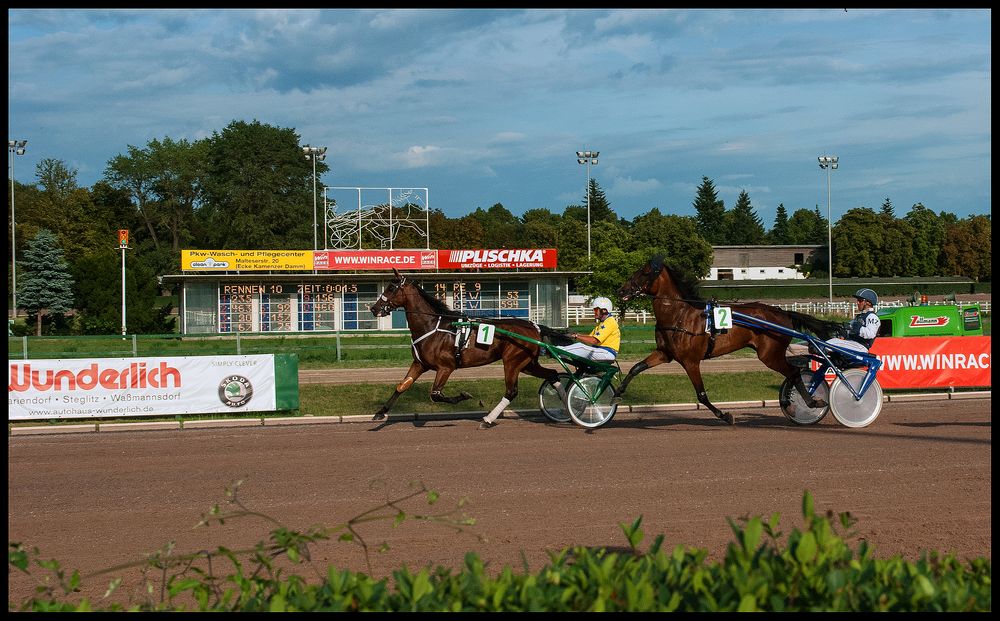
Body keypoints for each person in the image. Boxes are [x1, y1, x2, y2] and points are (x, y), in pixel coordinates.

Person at [561, 297, 620, 361]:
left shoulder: (610, 322)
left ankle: (558, 351)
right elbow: (590, 337)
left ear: (604, 310)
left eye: (595, 310)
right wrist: (575, 335)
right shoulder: (602, 322)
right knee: (579, 349)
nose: (594, 312)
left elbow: (594, 341)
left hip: (607, 352)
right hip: (601, 351)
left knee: (580, 347)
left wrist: (576, 336)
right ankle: (560, 351)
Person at [824, 288, 881, 354]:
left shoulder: (872, 317)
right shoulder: (859, 316)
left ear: (868, 302)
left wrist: (858, 329)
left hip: (860, 346)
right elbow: (850, 327)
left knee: (832, 343)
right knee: (832, 341)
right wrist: (843, 330)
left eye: (860, 301)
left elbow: (871, 334)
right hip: (852, 343)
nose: (857, 303)